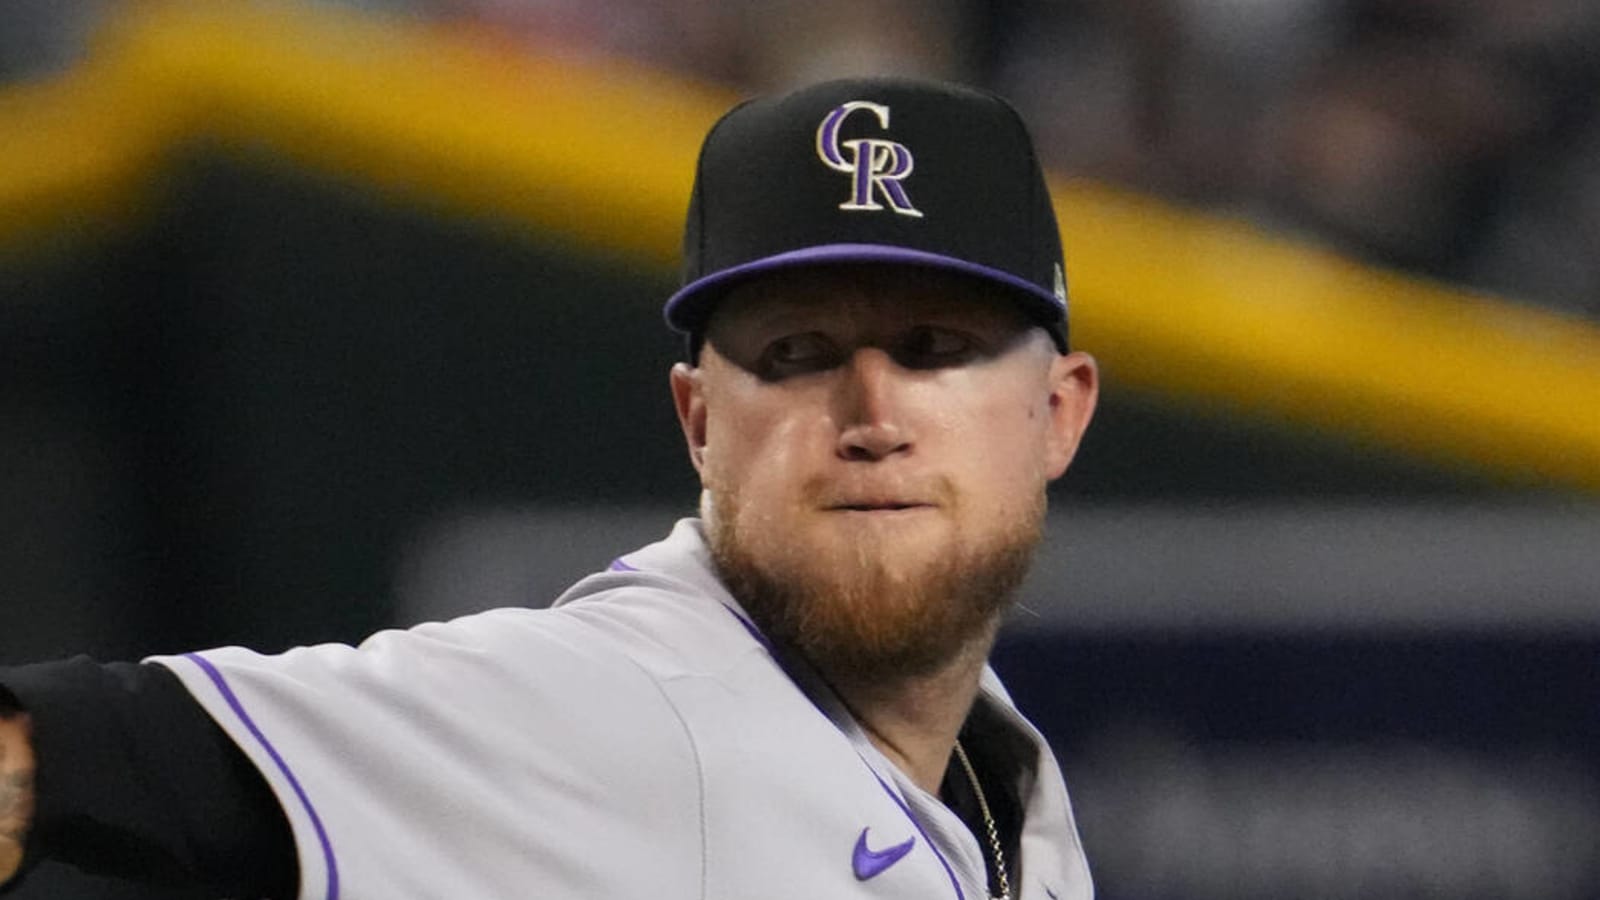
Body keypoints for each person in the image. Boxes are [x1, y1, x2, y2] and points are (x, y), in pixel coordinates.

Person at [0, 76, 1099, 899]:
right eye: (797, 354)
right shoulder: (623, 703)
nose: (870, 413)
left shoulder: (1002, 778)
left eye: (934, 348)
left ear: (1059, 411)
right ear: (700, 422)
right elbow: (77, 752)